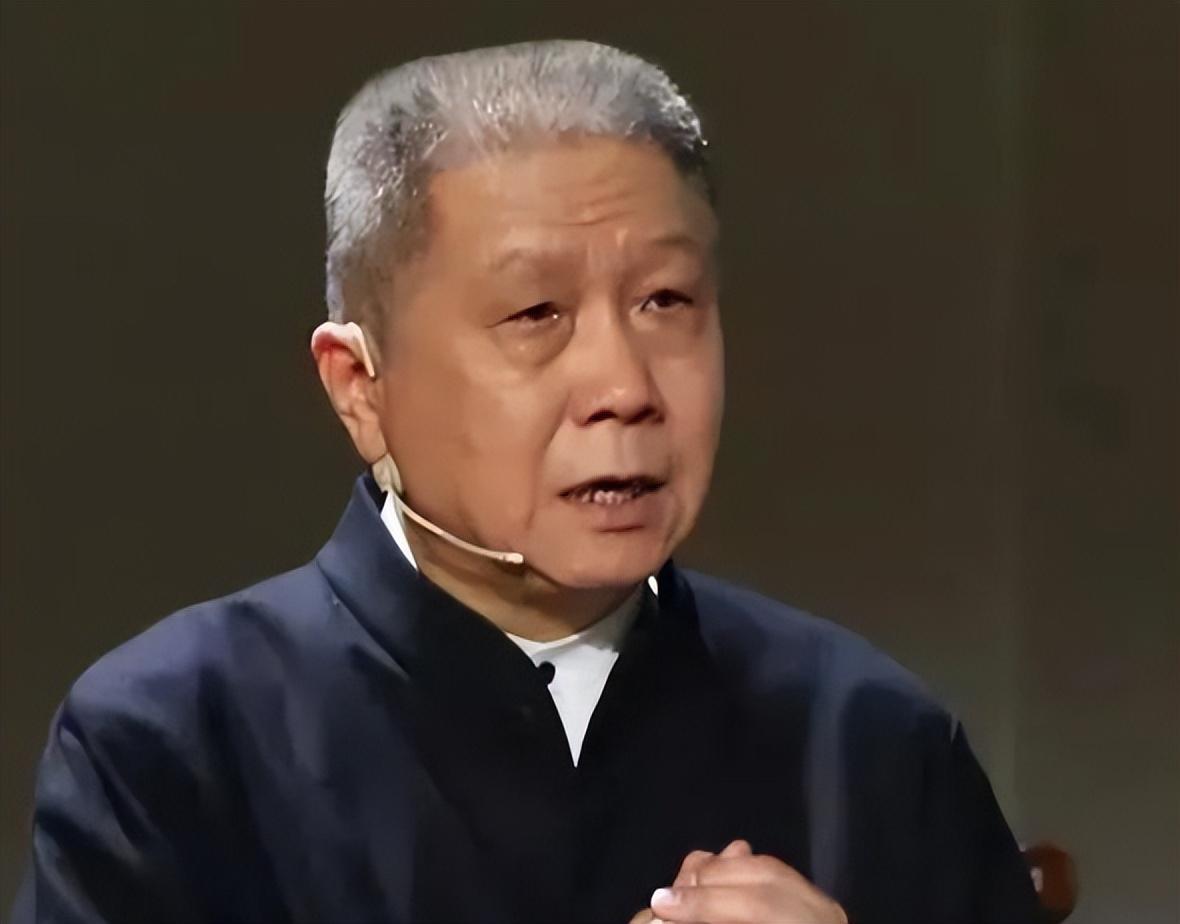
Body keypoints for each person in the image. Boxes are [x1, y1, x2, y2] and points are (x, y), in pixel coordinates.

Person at [12, 41, 1041, 924]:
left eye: (666, 300)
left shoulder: (870, 744)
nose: (625, 388)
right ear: (360, 387)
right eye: (536, 314)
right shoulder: (169, 747)